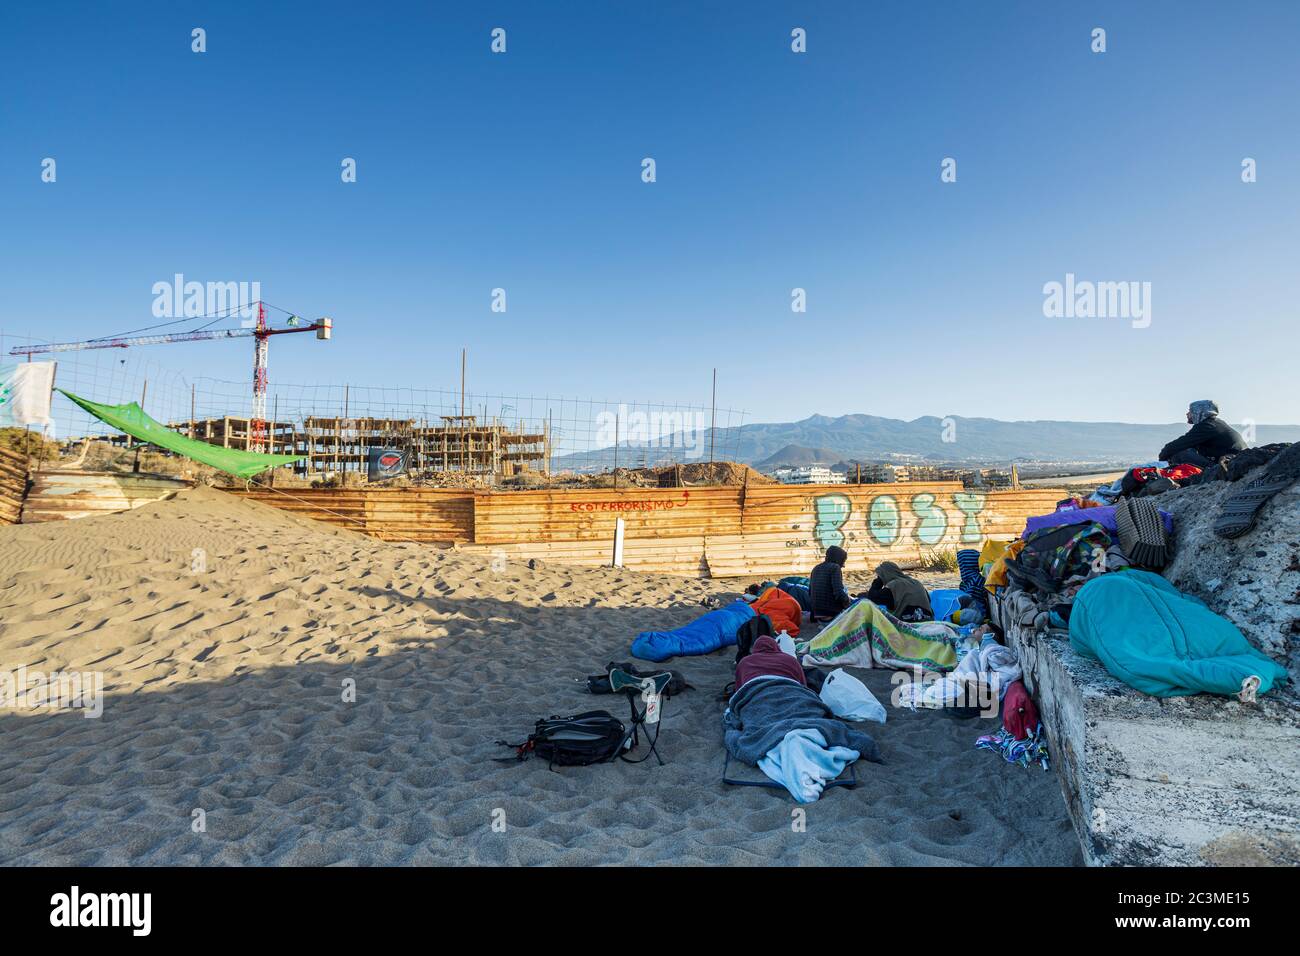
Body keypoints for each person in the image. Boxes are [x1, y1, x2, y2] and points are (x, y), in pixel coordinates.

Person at [1158, 400, 1246, 468]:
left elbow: (1180, 444)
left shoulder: (1207, 425)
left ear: (1199, 411)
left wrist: (1163, 456)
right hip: (1233, 460)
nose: (1187, 414)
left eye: (1190, 411)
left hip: (1229, 463)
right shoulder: (1215, 423)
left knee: (1180, 454)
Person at [864, 561, 933, 621]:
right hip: (928, 621)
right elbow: (928, 600)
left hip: (907, 625)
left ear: (884, 576)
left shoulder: (892, 587)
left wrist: (877, 582)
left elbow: (872, 598)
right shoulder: (917, 582)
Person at [808, 546, 853, 621]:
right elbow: (838, 593)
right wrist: (849, 603)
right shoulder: (835, 568)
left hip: (816, 614)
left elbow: (810, 592)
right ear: (839, 559)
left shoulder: (816, 568)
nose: (843, 565)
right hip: (830, 614)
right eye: (843, 561)